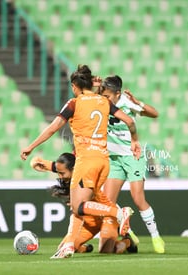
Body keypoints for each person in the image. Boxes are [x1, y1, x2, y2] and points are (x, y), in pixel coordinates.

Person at [21, 64, 141, 258]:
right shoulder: (103, 101)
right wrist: (134, 141)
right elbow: (130, 121)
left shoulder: (74, 103)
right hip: (104, 162)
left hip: (86, 160)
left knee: (77, 206)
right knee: (80, 206)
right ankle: (70, 245)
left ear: (75, 86)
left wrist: (30, 146)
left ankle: (118, 214)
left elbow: (53, 128)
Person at [99, 75, 165, 254]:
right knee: (108, 202)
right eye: (103, 96)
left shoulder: (127, 103)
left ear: (117, 94)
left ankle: (155, 236)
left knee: (138, 199)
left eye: (108, 97)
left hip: (132, 157)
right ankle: (128, 232)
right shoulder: (101, 101)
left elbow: (155, 114)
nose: (105, 99)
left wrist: (139, 103)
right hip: (114, 159)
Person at [30, 153, 138, 256]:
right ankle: (85, 248)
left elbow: (78, 210)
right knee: (63, 247)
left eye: (62, 173)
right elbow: (39, 162)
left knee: (106, 250)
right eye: (58, 173)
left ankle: (127, 241)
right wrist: (36, 163)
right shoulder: (65, 169)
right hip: (89, 222)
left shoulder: (85, 180)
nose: (60, 176)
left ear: (74, 170)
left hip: (106, 217)